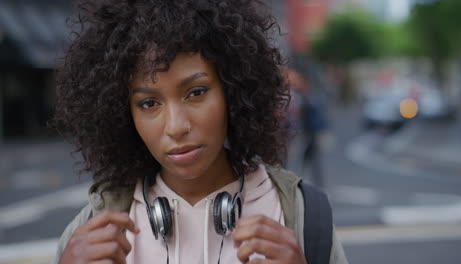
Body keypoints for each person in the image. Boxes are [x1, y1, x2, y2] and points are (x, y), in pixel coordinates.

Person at [52, 0, 348, 263]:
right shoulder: (91, 234)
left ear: (233, 90)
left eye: (196, 92)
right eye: (149, 103)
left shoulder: (304, 217)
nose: (176, 126)